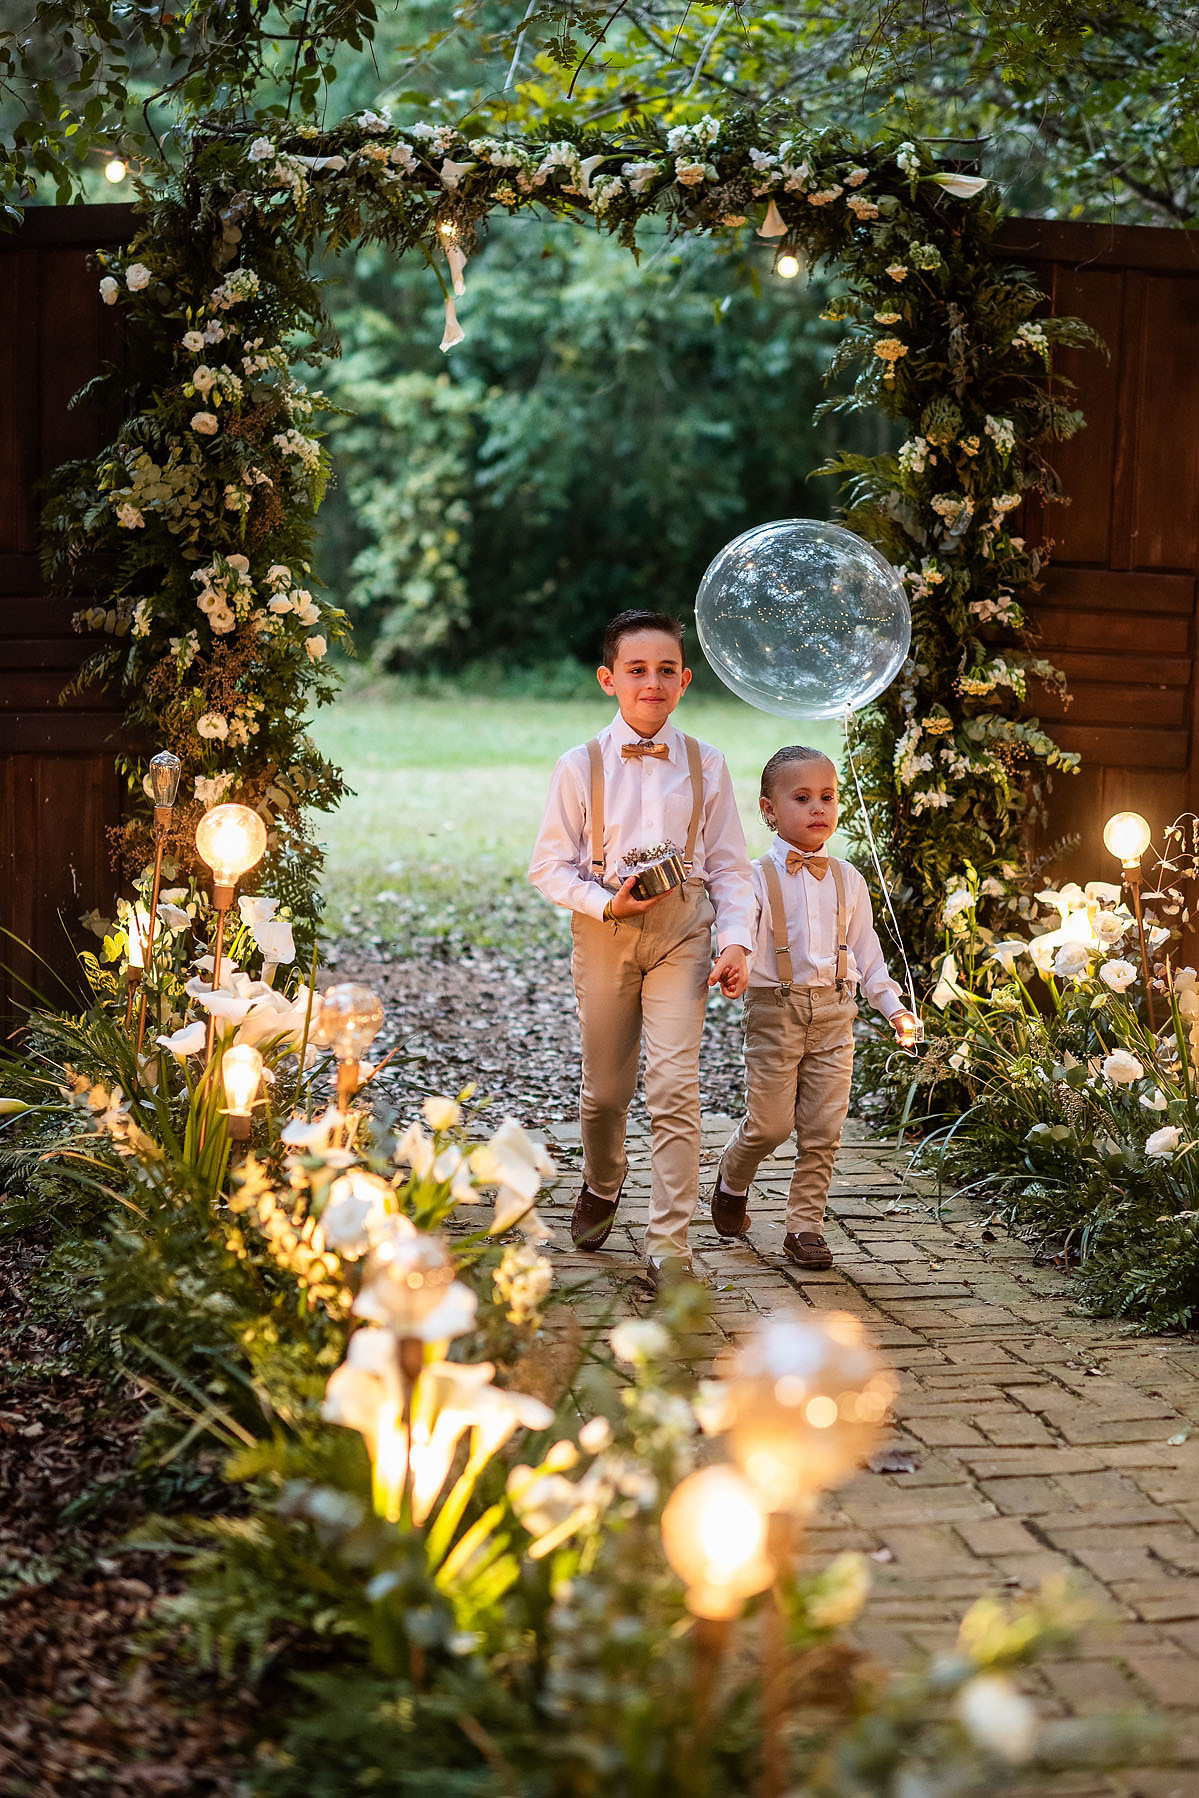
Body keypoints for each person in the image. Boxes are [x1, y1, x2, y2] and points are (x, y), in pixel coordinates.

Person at [529, 610, 754, 1281]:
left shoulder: (706, 764)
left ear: (683, 681)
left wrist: (736, 942)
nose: (650, 682)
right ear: (608, 680)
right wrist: (606, 902)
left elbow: (730, 866)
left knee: (674, 1088)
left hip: (683, 933)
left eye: (664, 670)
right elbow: (548, 866)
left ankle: (667, 1245)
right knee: (603, 1094)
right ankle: (602, 1180)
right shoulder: (579, 766)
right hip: (605, 930)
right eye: (636, 670)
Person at [711, 745, 917, 1269]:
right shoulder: (755, 876)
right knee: (771, 1125)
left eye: (827, 796)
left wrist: (894, 1008)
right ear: (769, 809)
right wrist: (735, 965)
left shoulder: (849, 878)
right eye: (802, 798)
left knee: (823, 1131)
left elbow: (867, 954)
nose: (817, 808)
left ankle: (804, 1228)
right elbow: (742, 935)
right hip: (774, 1014)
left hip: (835, 1016)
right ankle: (732, 1177)